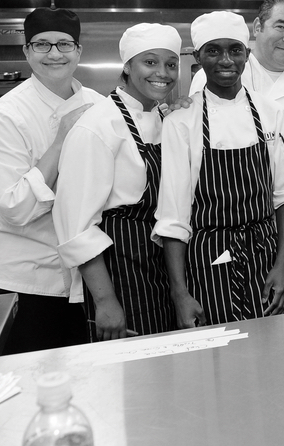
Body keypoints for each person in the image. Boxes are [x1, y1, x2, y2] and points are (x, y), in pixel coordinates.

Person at [155, 11, 284, 327]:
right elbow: (174, 217)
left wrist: (283, 266)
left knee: (276, 346)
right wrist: (179, 293)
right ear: (197, 57)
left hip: (266, 254)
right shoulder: (182, 121)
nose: (225, 60)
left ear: (247, 54)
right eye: (213, 50)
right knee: (217, 359)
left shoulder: (272, 113)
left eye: (235, 49)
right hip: (208, 260)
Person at [0, 7, 101, 354]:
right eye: (42, 45)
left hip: (82, 277)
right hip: (19, 277)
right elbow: (13, 207)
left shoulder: (99, 105)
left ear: (79, 51)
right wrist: (60, 141)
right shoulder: (7, 113)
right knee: (26, 384)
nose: (54, 53)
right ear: (27, 51)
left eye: (64, 44)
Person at [189, 0, 284, 312]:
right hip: (239, 237)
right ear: (257, 27)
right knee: (247, 323)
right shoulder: (220, 74)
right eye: (281, 26)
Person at [54, 23, 183, 341]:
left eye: (171, 63)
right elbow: (77, 227)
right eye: (150, 62)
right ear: (127, 65)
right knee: (132, 379)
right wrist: (105, 301)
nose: (162, 73)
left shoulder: (164, 118)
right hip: (120, 276)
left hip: (159, 270)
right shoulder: (97, 127)